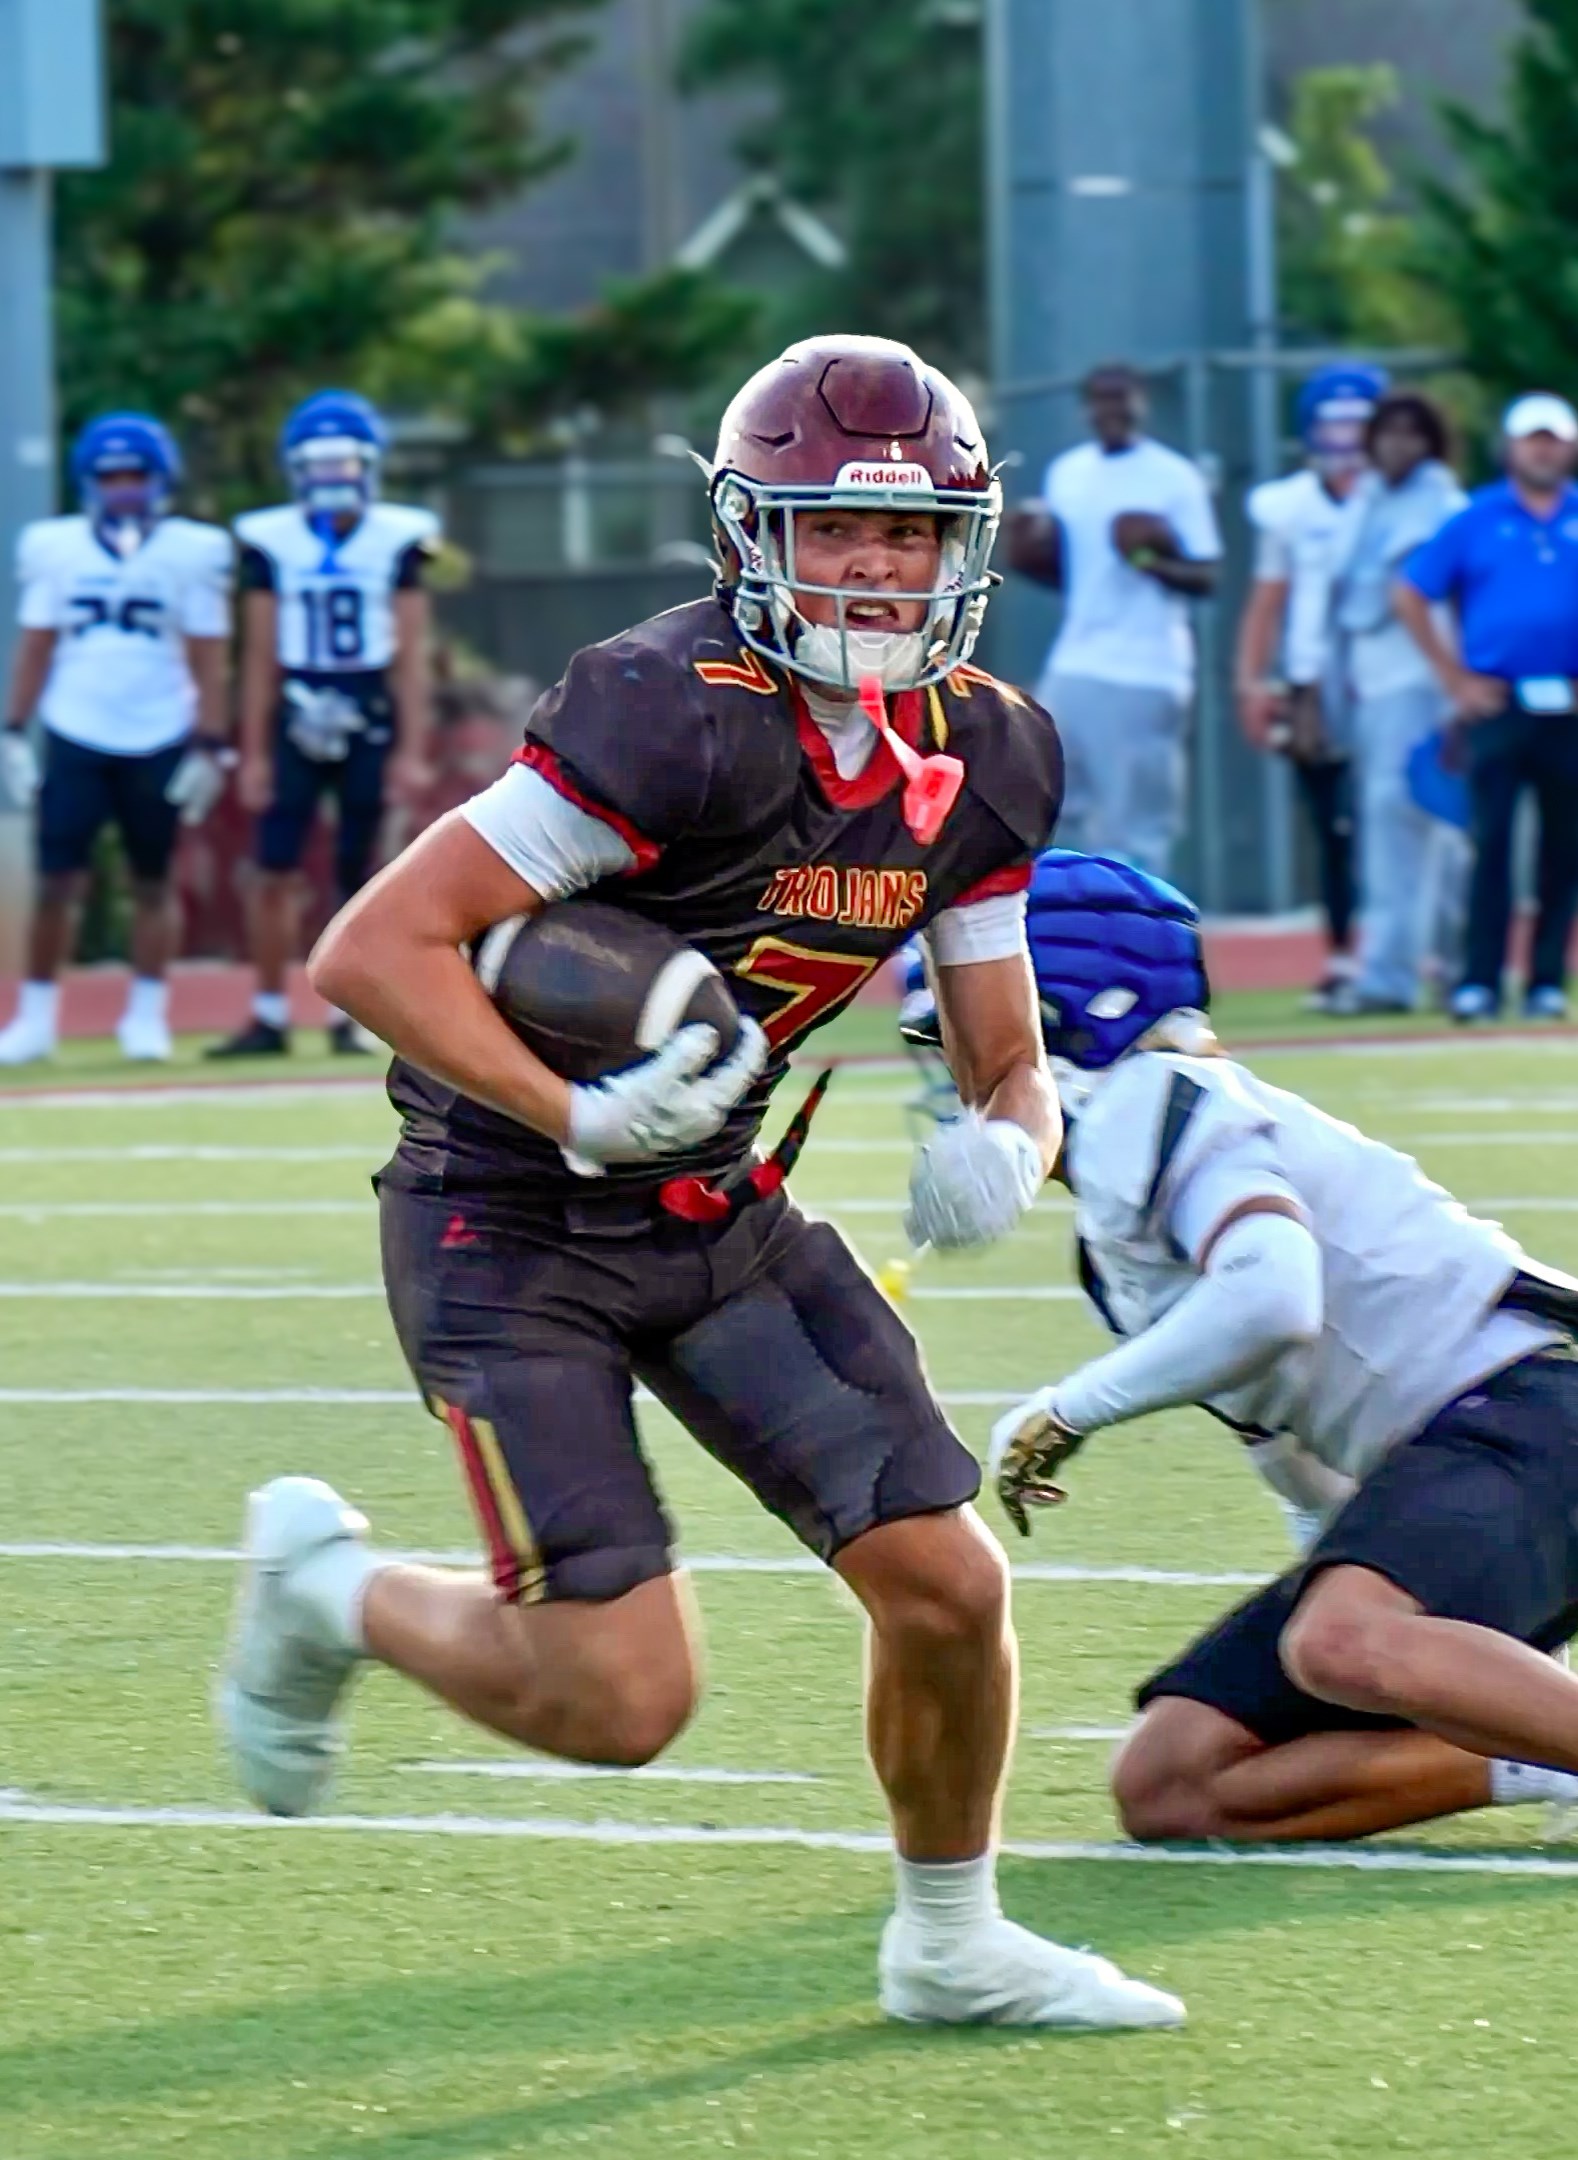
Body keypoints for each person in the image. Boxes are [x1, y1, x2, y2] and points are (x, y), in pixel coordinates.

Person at [216, 335, 1185, 2032]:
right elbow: (372, 949)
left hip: (716, 1205)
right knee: (620, 1705)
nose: (874, 570)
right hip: (508, 1210)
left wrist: (1009, 1145)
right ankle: (328, 1594)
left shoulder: (989, 753)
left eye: (907, 534)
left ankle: (949, 1941)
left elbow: (1005, 1059)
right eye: (834, 530)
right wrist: (570, 1111)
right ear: (752, 536)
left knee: (948, 1585)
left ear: (960, 546)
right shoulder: (669, 711)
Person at [988, 852, 1578, 1846]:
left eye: (960, 1028)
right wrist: (1391, 1601)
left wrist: (1067, 1410)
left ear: (1062, 1017)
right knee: (1171, 1783)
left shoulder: (1149, 1098)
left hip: (1533, 1410)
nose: (953, 1070)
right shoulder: (1111, 1235)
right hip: (1474, 1460)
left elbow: (1272, 1296)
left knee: (1340, 1642)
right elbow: (1289, 1449)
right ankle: (1533, 1750)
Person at [207, 391, 439, 1058]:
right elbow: (258, 654)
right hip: (297, 702)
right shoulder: (270, 541)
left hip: (369, 702)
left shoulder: (396, 539)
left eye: (345, 463)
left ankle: (350, 1013)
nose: (334, 477)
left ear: (369, 465)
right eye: (320, 464)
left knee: (363, 870)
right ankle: (269, 1011)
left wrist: (412, 747)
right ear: (297, 469)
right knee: (273, 865)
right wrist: (254, 751)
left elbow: (411, 653)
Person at [0, 413, 232, 1064]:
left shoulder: (192, 551)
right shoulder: (55, 547)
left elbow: (208, 652)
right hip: (75, 728)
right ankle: (36, 1017)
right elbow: (37, 643)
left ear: (161, 481)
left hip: (160, 731)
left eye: (136, 476)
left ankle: (146, 1015)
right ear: (89, 482)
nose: (124, 489)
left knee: (153, 880)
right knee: (56, 881)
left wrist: (210, 740)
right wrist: (12, 729)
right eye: (112, 477)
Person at [1395, 392, 1578, 1024]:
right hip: (1497, 702)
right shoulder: (1476, 517)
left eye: (1554, 439)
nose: (1543, 451)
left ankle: (1546, 980)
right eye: (1533, 439)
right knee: (1491, 843)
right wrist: (1454, 679)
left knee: (1564, 847)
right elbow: (1411, 592)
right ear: (1511, 448)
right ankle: (1479, 980)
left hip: (1569, 705)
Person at [1235, 364, 1386, 1011]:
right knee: (1334, 829)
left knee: (1400, 822)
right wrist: (1251, 683)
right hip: (1314, 688)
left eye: (1359, 425)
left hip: (1388, 681)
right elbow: (1268, 600)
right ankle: (1345, 954)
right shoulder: (1290, 506)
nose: (1346, 440)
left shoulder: (1399, 499)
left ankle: (1412, 950)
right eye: (1335, 425)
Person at [1030, 363, 1221, 878]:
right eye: (1101, 399)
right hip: (1074, 660)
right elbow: (1075, 573)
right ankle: (1068, 919)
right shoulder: (1067, 473)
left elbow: (1207, 575)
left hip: (1145, 668)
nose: (1112, 409)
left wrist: (1147, 561)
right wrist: (1031, 553)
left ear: (1142, 404)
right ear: (1086, 408)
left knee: (1133, 826)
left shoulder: (1174, 477)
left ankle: (1142, 924)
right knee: (1051, 801)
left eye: (1122, 398)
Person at [1326, 391, 1467, 1013]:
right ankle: (1437, 966)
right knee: (1404, 832)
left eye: (1412, 433)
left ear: (1431, 443)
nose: (1397, 444)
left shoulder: (1446, 508)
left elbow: (1445, 606)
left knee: (1417, 831)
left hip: (1422, 685)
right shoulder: (1366, 505)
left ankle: (1398, 974)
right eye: (1387, 431)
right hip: (1374, 687)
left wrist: (1454, 686)